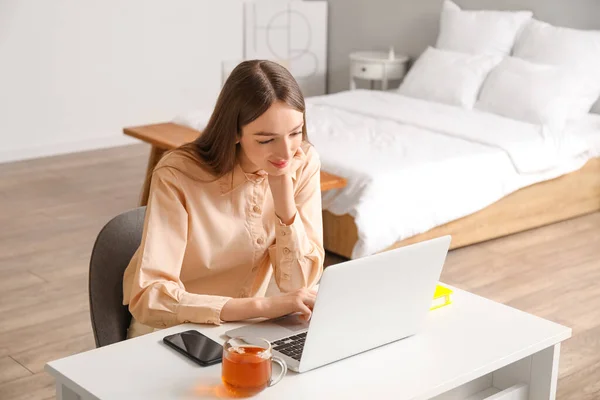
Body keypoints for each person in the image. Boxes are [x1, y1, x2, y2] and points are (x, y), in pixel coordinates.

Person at [122, 60, 324, 339]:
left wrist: (283, 196)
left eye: (295, 133)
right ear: (235, 131)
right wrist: (261, 306)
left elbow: (299, 283)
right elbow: (150, 297)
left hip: (246, 329)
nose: (286, 152)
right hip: (174, 328)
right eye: (266, 140)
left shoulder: (302, 162)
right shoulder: (178, 175)